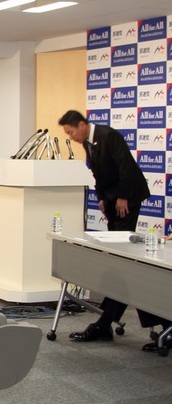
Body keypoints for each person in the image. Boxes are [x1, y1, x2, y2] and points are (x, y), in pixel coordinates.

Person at [59, 110, 152, 343]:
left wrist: (122, 197)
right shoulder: (89, 142)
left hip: (127, 199)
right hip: (112, 199)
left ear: (82, 124)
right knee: (118, 259)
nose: (72, 138)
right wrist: (102, 197)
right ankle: (106, 321)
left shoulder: (109, 136)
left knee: (121, 261)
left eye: (71, 132)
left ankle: (105, 322)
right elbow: (99, 173)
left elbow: (126, 168)